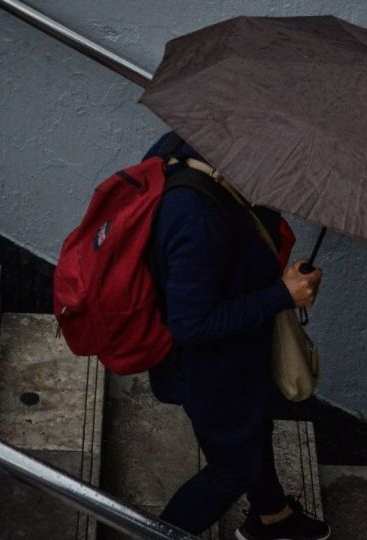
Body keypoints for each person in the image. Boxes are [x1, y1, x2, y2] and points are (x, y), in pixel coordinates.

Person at [144, 132, 331, 539]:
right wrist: (283, 294)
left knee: (253, 434)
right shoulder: (198, 216)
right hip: (213, 371)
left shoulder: (186, 146)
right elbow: (192, 324)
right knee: (233, 469)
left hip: (239, 359)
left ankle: (274, 519)